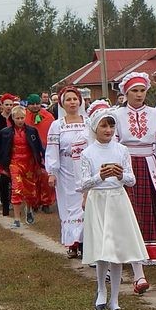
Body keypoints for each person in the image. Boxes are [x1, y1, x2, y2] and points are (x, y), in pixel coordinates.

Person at [113, 72, 156, 291]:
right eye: (135, 90)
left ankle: (146, 256)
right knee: (127, 213)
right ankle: (126, 258)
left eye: (142, 90)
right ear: (126, 93)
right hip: (125, 165)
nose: (139, 95)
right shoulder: (115, 116)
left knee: (148, 211)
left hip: (149, 165)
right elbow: (112, 146)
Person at [79, 108, 149, 310]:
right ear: (95, 128)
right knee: (102, 249)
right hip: (98, 200)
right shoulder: (88, 153)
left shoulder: (121, 150)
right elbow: (83, 183)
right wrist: (99, 176)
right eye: (104, 125)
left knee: (117, 249)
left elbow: (131, 179)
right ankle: (101, 289)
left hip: (117, 199)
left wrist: (119, 176)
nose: (108, 130)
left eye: (111, 125)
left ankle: (115, 298)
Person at [46, 87, 89, 258]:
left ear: (80, 101)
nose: (72, 102)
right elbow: (52, 149)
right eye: (68, 99)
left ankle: (85, 242)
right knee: (69, 207)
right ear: (62, 103)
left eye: (75, 99)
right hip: (65, 170)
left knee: (85, 206)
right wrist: (52, 171)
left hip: (85, 170)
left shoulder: (89, 121)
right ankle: (72, 243)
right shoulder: (57, 125)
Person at [0, 106, 45, 228]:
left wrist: (41, 162)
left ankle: (29, 209)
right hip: (14, 163)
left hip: (29, 163)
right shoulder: (5, 132)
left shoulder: (32, 131)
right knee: (17, 189)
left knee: (30, 191)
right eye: (17, 118)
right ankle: (16, 219)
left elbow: (38, 147)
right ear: (13, 118)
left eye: (22, 118)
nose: (20, 120)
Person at [25, 94, 56, 213]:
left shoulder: (48, 116)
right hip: (28, 151)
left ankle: (46, 202)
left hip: (45, 151)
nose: (35, 106)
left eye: (37, 103)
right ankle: (34, 202)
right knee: (31, 177)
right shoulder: (24, 116)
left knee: (45, 177)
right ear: (28, 105)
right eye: (32, 104)